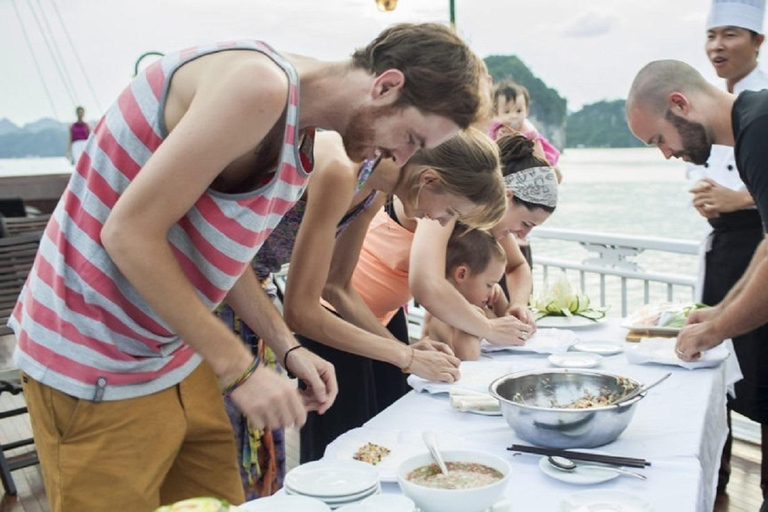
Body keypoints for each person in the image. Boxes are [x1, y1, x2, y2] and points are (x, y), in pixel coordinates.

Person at [8, 23, 488, 511]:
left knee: (221, 501)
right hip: (93, 355)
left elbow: (217, 253)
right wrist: (240, 368)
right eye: (410, 137)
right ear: (385, 86)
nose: (401, 158)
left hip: (174, 354)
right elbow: (127, 234)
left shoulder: (300, 133)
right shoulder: (259, 85)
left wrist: (286, 347)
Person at [290, 128, 508, 462]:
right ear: (430, 180)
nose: (439, 221)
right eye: (449, 212)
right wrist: (404, 357)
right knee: (330, 452)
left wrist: (403, 350)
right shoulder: (343, 172)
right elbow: (302, 310)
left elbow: (337, 285)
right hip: (229, 304)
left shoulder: (373, 190)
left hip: (252, 294)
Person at [626, 57, 768, 510]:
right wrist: (721, 311)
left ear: (680, 103)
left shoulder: (760, 130)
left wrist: (715, 331)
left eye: (659, 139)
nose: (666, 153)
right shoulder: (753, 127)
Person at [685, 0, 768, 500]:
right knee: (729, 377)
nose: (718, 46)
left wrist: (739, 198)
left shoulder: (759, 115)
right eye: (712, 35)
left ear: (758, 40)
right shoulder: (715, 106)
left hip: (754, 237)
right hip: (728, 250)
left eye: (731, 34)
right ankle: (717, 480)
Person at [410, 134, 557, 347]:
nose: (523, 235)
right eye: (526, 223)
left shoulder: (487, 224)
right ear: (507, 197)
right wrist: (489, 329)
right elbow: (426, 284)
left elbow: (517, 266)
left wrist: (518, 305)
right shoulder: (449, 207)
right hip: (364, 307)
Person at [422, 225, 508, 361]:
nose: (492, 291)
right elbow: (469, 358)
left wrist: (500, 298)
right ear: (462, 274)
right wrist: (475, 318)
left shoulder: (479, 305)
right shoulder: (443, 316)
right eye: (489, 285)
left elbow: (508, 331)